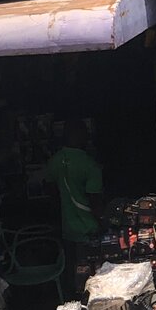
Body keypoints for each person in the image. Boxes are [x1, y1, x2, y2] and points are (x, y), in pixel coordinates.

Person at [45, 119, 103, 291]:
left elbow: (51, 190)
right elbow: (95, 200)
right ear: (81, 135)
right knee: (96, 271)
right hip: (89, 228)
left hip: (68, 229)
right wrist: (103, 221)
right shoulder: (89, 165)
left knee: (72, 269)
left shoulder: (55, 161)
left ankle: (73, 299)